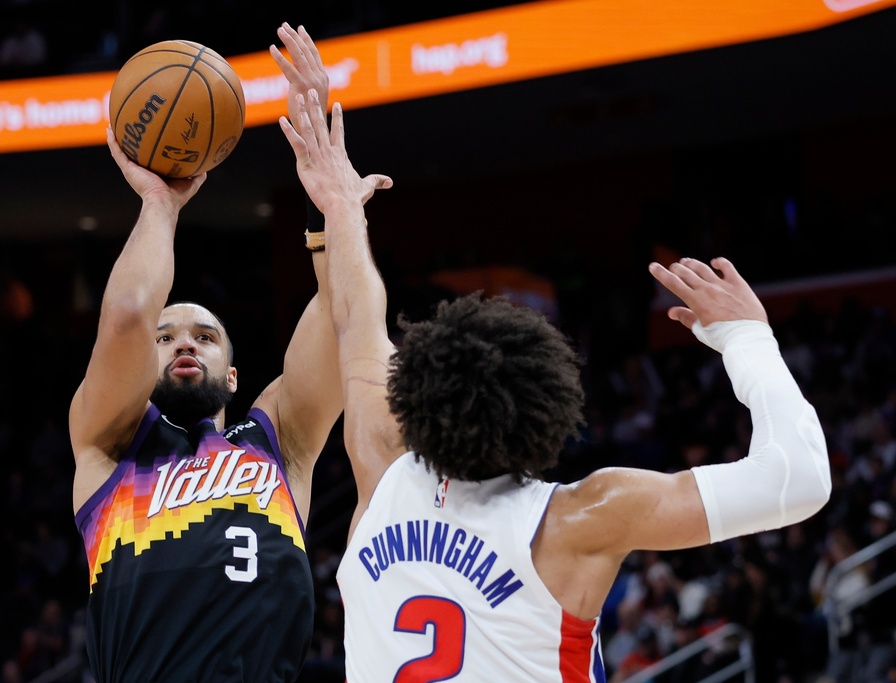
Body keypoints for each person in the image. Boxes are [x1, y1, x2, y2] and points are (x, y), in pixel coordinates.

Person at [279, 91, 832, 680]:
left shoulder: (380, 467)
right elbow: (798, 479)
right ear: (548, 415)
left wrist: (339, 209)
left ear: (413, 397)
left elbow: (356, 317)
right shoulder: (583, 517)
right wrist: (748, 340)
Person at [69, 24, 361, 682]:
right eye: (167, 334)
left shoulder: (276, 441)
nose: (182, 342)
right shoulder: (110, 444)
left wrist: (332, 209)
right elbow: (124, 315)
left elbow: (344, 320)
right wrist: (158, 205)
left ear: (234, 374)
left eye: (203, 334)